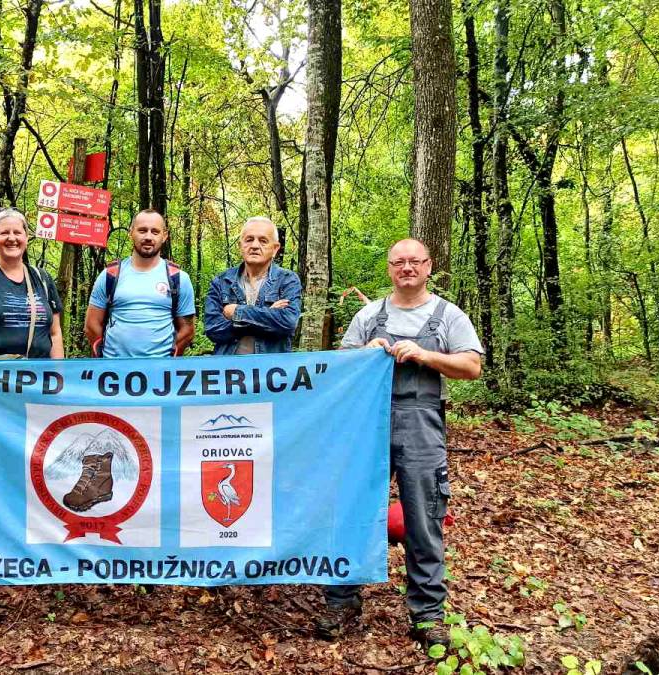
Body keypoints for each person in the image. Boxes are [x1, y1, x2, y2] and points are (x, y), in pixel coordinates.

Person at [315, 238, 483, 647]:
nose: (407, 268)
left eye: (415, 262)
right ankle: (342, 599)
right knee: (354, 509)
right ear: (390, 268)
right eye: (399, 262)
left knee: (423, 518)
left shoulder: (448, 315)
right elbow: (339, 366)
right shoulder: (369, 314)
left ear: (429, 266)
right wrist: (364, 354)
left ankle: (427, 615)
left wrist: (426, 355)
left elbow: (472, 366)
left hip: (421, 423)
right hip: (366, 423)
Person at [84, 209, 195, 358]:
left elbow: (187, 330)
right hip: (114, 369)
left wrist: (169, 360)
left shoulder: (179, 278)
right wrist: (104, 356)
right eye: (142, 230)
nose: (148, 236)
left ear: (165, 236)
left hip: (160, 371)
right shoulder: (110, 275)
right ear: (131, 233)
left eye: (155, 232)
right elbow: (91, 325)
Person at [0, 208, 64, 359]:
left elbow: (55, 333)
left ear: (26, 237)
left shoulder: (43, 278)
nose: (12, 238)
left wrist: (58, 374)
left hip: (38, 377)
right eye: (4, 233)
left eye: (17, 232)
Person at [203, 216, 301, 355]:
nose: (255, 246)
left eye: (263, 241)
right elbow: (213, 330)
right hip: (229, 371)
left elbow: (288, 323)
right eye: (249, 240)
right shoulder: (221, 281)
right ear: (240, 246)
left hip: (271, 371)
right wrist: (268, 315)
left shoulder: (287, 280)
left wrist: (237, 312)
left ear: (275, 248)